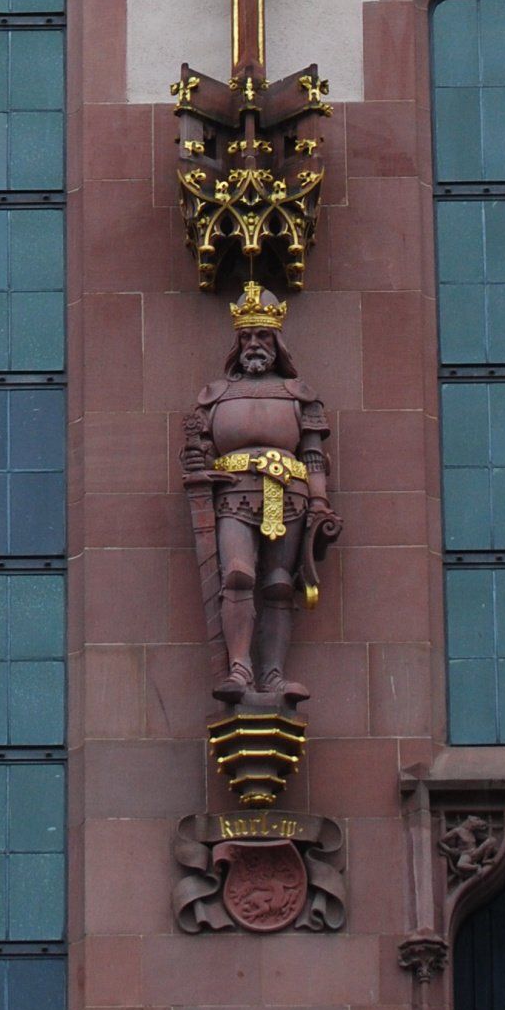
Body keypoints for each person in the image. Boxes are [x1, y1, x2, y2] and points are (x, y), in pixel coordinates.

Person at [181, 285, 339, 709]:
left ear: (276, 343)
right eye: (247, 336)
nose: (254, 343)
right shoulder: (214, 397)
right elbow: (201, 449)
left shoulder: (298, 395)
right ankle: (239, 668)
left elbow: (313, 455)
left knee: (278, 583)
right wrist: (196, 459)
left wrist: (321, 503)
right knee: (237, 574)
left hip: (288, 495)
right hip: (233, 494)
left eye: (263, 337)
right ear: (238, 343)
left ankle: (272, 674)